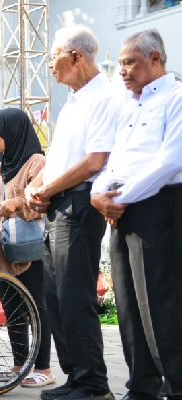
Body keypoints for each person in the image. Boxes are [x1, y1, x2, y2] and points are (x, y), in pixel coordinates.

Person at [24, 25, 118, 400]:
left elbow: (95, 161)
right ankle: (76, 377)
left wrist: (46, 190)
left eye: (53, 56)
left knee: (75, 296)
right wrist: (34, 187)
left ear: (75, 56)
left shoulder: (103, 97)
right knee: (55, 295)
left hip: (79, 203)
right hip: (58, 203)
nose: (50, 64)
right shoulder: (74, 100)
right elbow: (58, 159)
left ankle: (94, 383)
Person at [91, 29, 182, 400]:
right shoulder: (129, 106)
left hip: (158, 207)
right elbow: (114, 162)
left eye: (130, 63)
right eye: (121, 64)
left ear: (155, 59)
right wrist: (99, 195)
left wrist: (119, 200)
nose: (123, 71)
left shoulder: (176, 98)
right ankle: (142, 386)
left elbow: (170, 162)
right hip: (121, 211)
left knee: (159, 304)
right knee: (128, 305)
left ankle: (176, 387)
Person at [0, 108, 54, 388]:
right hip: (4, 250)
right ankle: (19, 365)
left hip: (29, 250)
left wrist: (18, 205)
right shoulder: (3, 165)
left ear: (12, 132)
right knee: (12, 306)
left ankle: (44, 368)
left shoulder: (37, 163)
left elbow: (43, 202)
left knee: (37, 306)